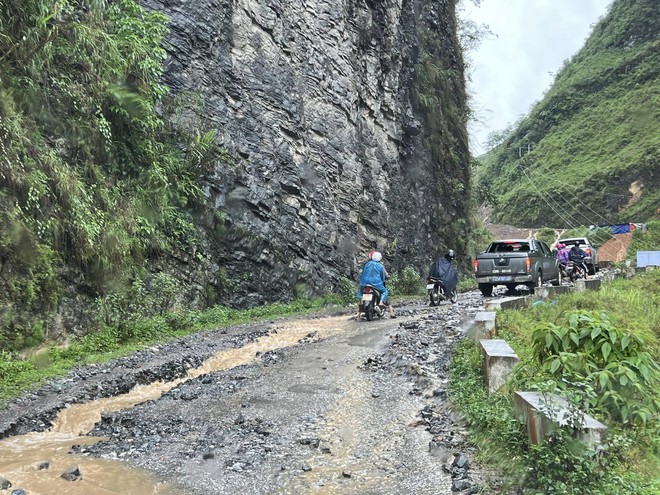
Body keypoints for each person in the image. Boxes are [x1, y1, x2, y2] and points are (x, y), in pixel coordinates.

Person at [357, 251, 395, 318]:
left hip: (364, 282)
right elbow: (382, 276)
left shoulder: (367, 264)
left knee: (360, 292)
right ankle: (381, 302)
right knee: (384, 291)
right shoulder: (380, 266)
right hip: (376, 283)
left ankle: (361, 301)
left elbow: (362, 273)